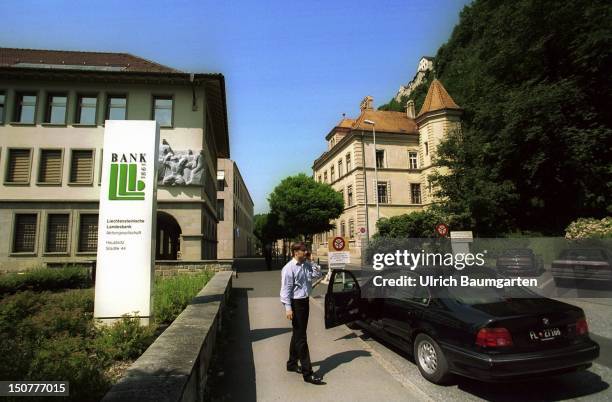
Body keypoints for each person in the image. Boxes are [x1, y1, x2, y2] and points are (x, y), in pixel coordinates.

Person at [280, 242, 325, 385]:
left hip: (305, 302)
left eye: (306, 250)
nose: (306, 252)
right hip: (296, 303)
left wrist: (311, 261)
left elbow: (319, 274)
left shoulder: (306, 264)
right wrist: (288, 308)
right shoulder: (289, 268)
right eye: (303, 250)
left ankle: (292, 364)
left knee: (298, 333)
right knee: (301, 338)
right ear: (295, 252)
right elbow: (285, 290)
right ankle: (308, 373)